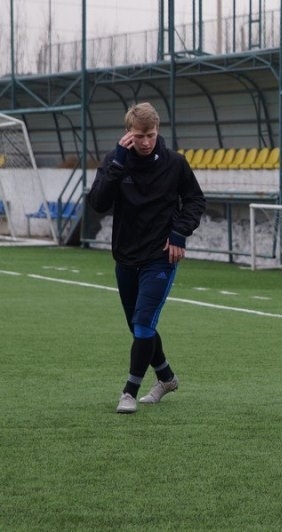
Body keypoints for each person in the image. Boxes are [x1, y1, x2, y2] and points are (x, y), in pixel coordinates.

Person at [87, 102, 206, 415]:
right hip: (126, 257)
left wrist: (179, 233)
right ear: (128, 133)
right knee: (140, 326)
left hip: (160, 257)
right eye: (139, 136)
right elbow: (98, 203)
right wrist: (117, 165)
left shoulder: (175, 163)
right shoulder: (115, 161)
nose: (145, 142)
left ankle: (129, 391)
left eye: (150, 135)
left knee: (142, 324)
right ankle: (166, 378)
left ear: (157, 130)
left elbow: (195, 200)